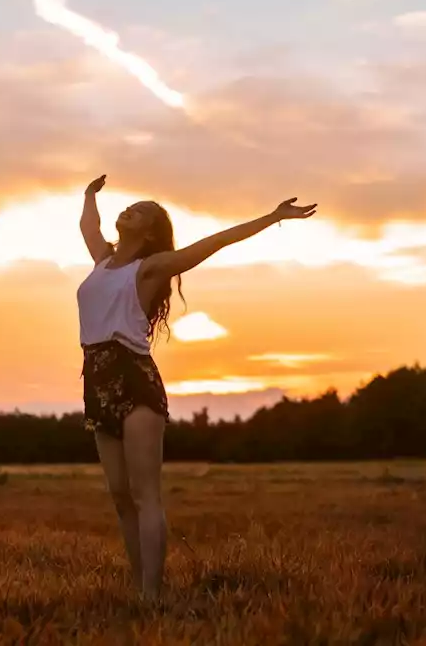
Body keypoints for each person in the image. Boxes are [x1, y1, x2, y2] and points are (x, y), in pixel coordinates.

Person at [75, 173, 317, 600]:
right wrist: (89, 196)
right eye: (132, 206)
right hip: (96, 379)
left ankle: (153, 596)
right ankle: (139, 589)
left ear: (149, 232)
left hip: (134, 379)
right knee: (119, 496)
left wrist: (274, 217)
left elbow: (215, 242)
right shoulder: (102, 261)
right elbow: (88, 228)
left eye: (141, 211)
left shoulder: (148, 268)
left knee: (144, 494)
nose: (130, 209)